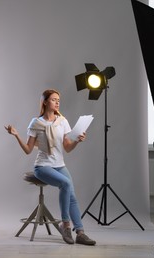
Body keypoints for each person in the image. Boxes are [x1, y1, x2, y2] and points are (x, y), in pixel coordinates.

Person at [5, 89, 96, 246]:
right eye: (54, 99)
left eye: (58, 100)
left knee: (72, 197)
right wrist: (16, 135)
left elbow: (67, 148)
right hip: (42, 167)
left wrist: (77, 141)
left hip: (60, 165)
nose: (57, 102)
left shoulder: (62, 121)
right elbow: (28, 150)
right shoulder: (36, 123)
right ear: (45, 102)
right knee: (66, 184)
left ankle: (80, 233)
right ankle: (65, 225)